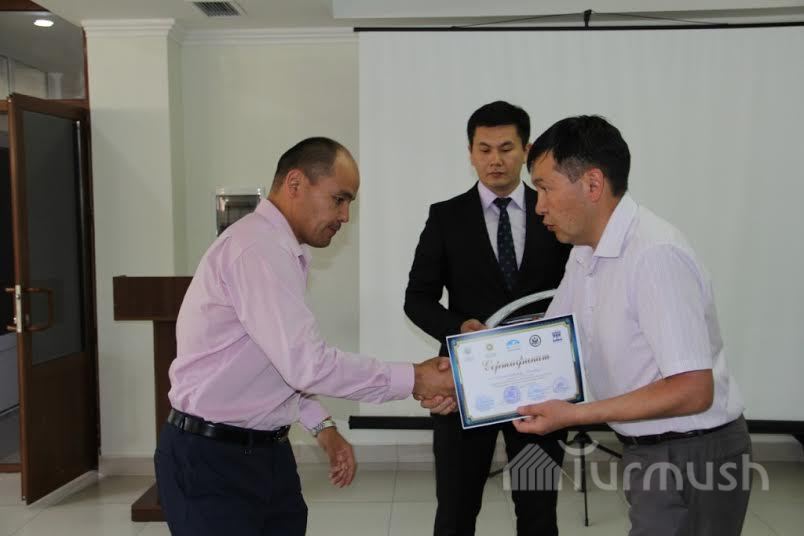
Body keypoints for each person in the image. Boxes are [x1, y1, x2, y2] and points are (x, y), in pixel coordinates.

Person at [155, 137, 455, 536]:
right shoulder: (257, 249)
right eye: (339, 199)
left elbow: (274, 364)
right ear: (295, 183)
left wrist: (323, 427)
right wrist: (414, 378)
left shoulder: (283, 250)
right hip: (214, 460)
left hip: (267, 454)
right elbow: (306, 364)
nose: (345, 215)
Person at [516, 115, 751, 535]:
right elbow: (551, 341)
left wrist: (575, 415)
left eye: (545, 188)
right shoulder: (585, 253)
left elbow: (692, 389)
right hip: (649, 449)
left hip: (694, 453)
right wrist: (462, 382)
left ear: (592, 184)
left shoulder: (654, 255)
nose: (539, 207)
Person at [405, 101, 571, 536]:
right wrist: (459, 327)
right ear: (470, 153)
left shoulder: (552, 210)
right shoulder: (446, 216)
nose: (495, 160)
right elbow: (417, 299)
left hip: (538, 386)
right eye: (484, 149)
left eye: (506, 148)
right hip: (466, 387)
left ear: (526, 151)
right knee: (456, 512)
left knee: (538, 511)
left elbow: (577, 291)